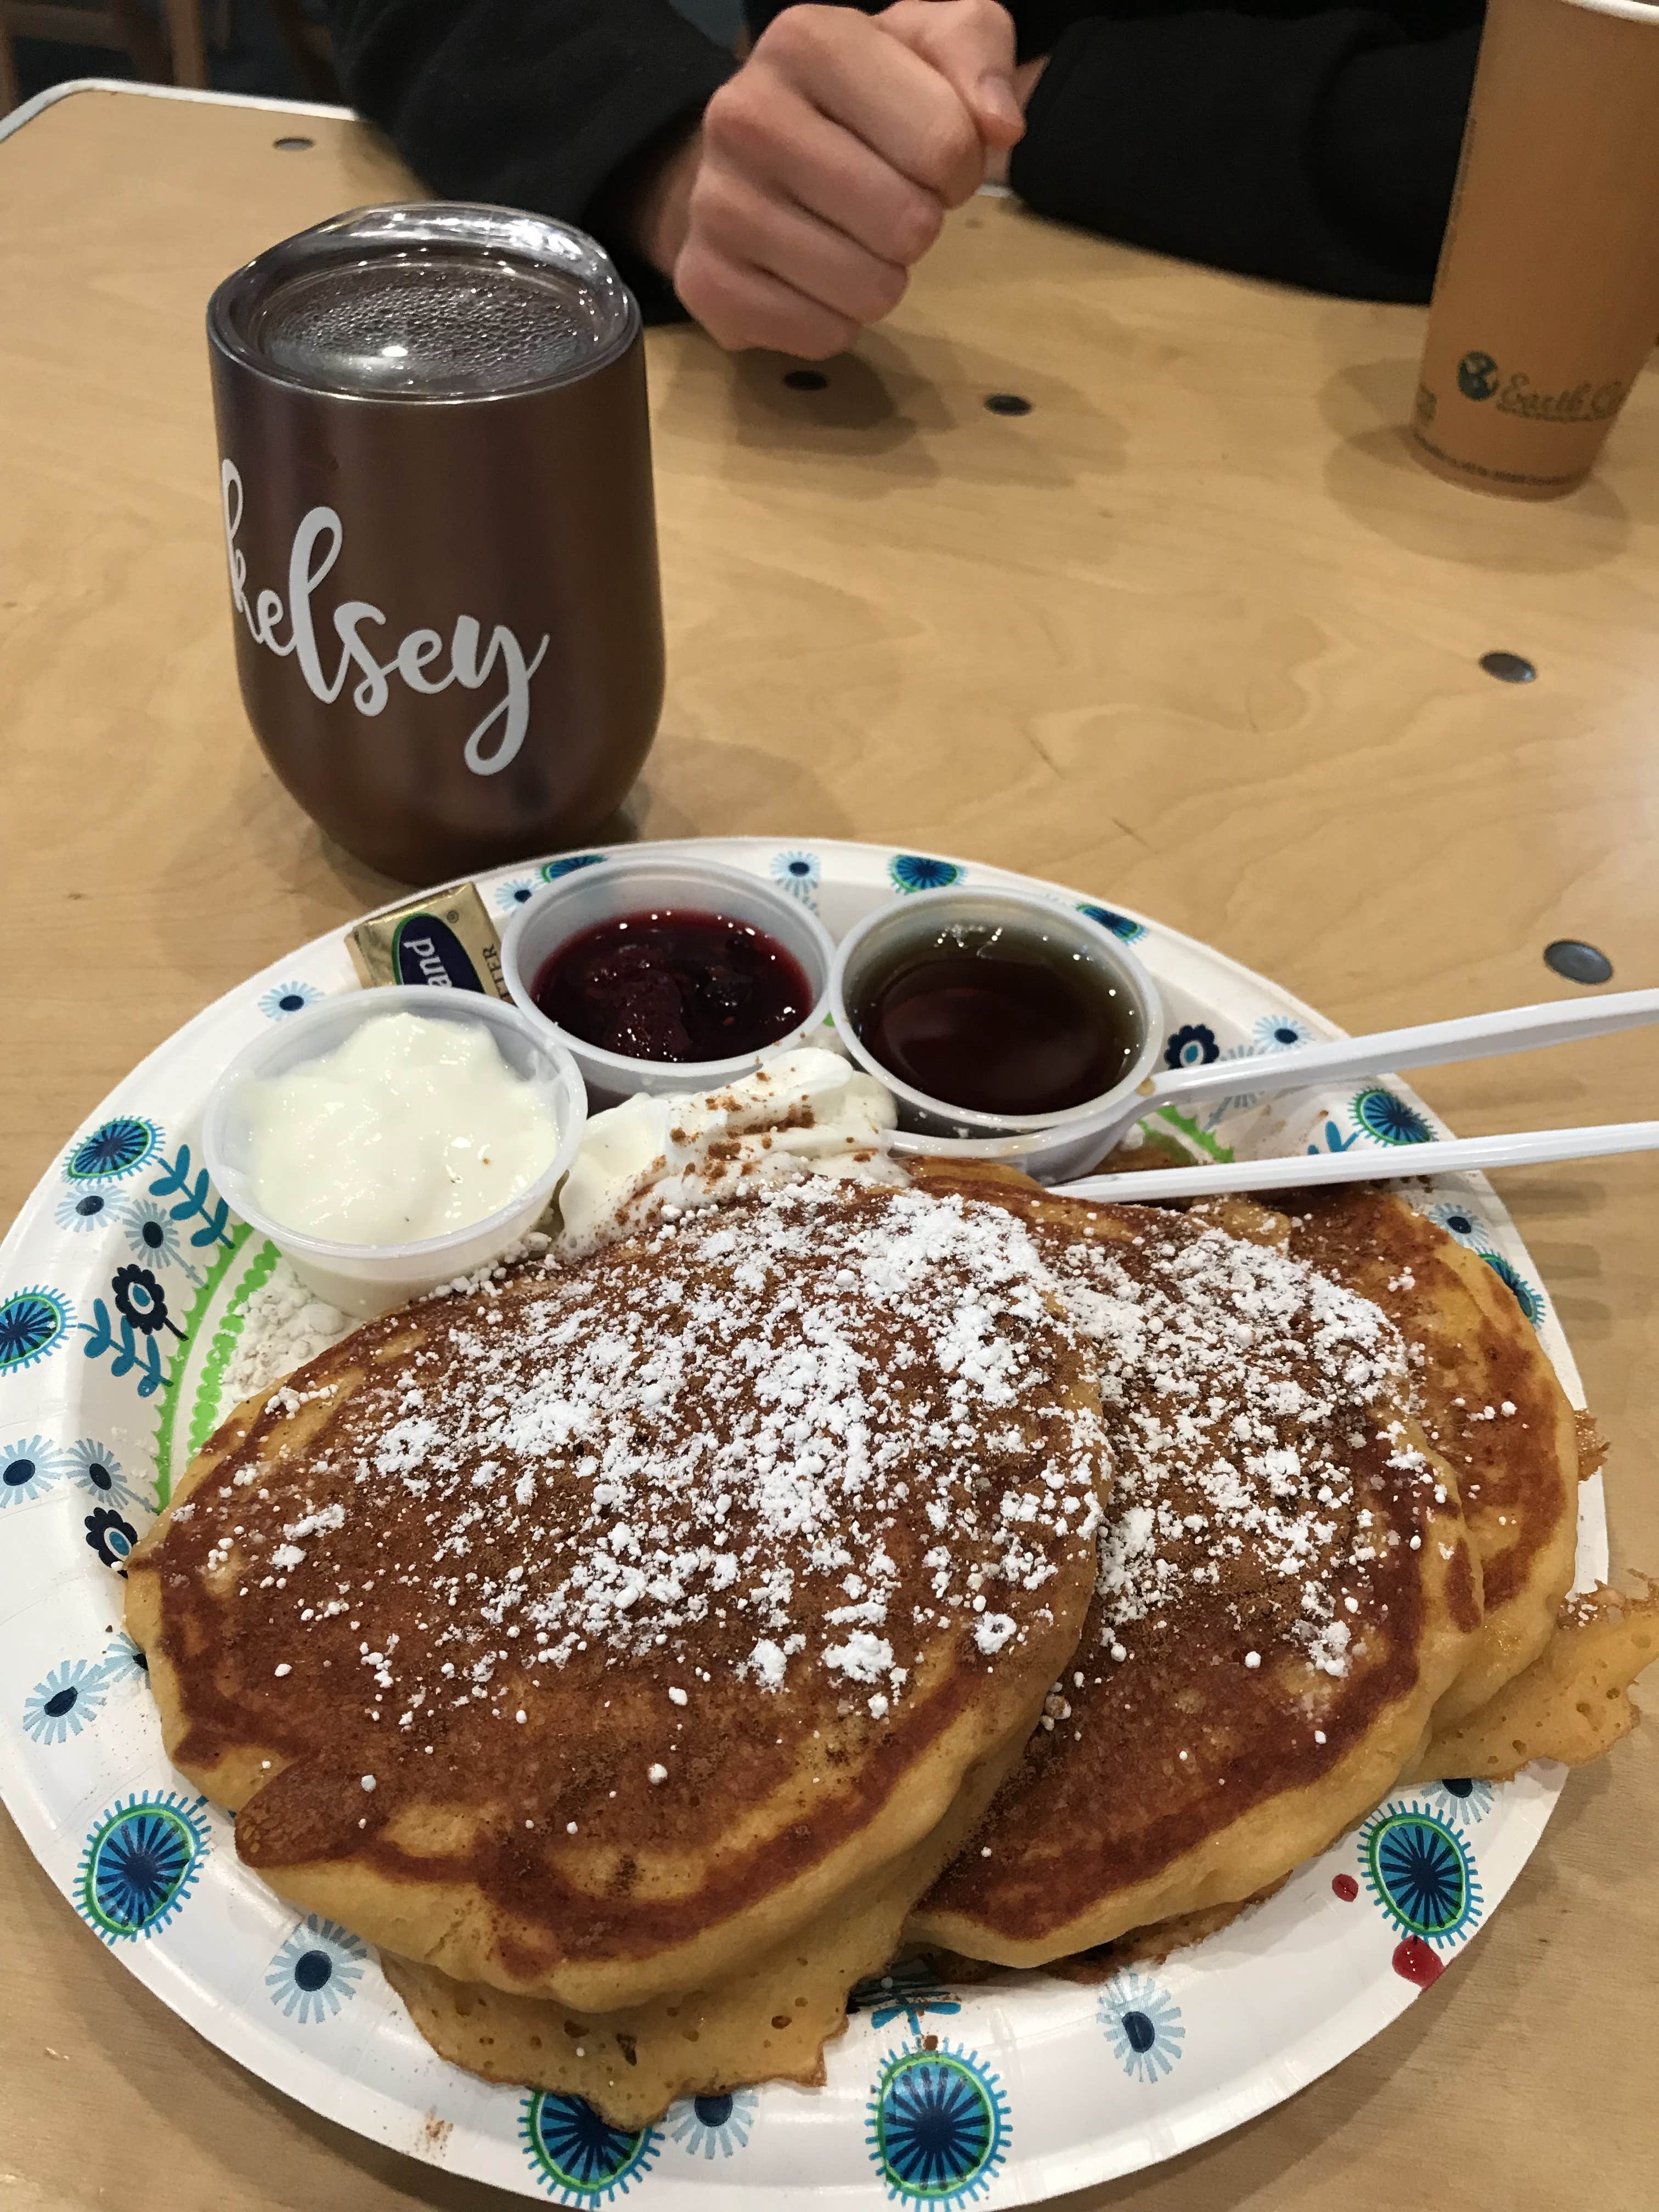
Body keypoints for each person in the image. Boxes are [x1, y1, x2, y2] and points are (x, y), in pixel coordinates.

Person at [326, 0, 1481, 358]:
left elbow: (1550, 106)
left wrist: (1076, 103)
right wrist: (667, 156)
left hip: (1403, 352)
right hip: (821, 359)